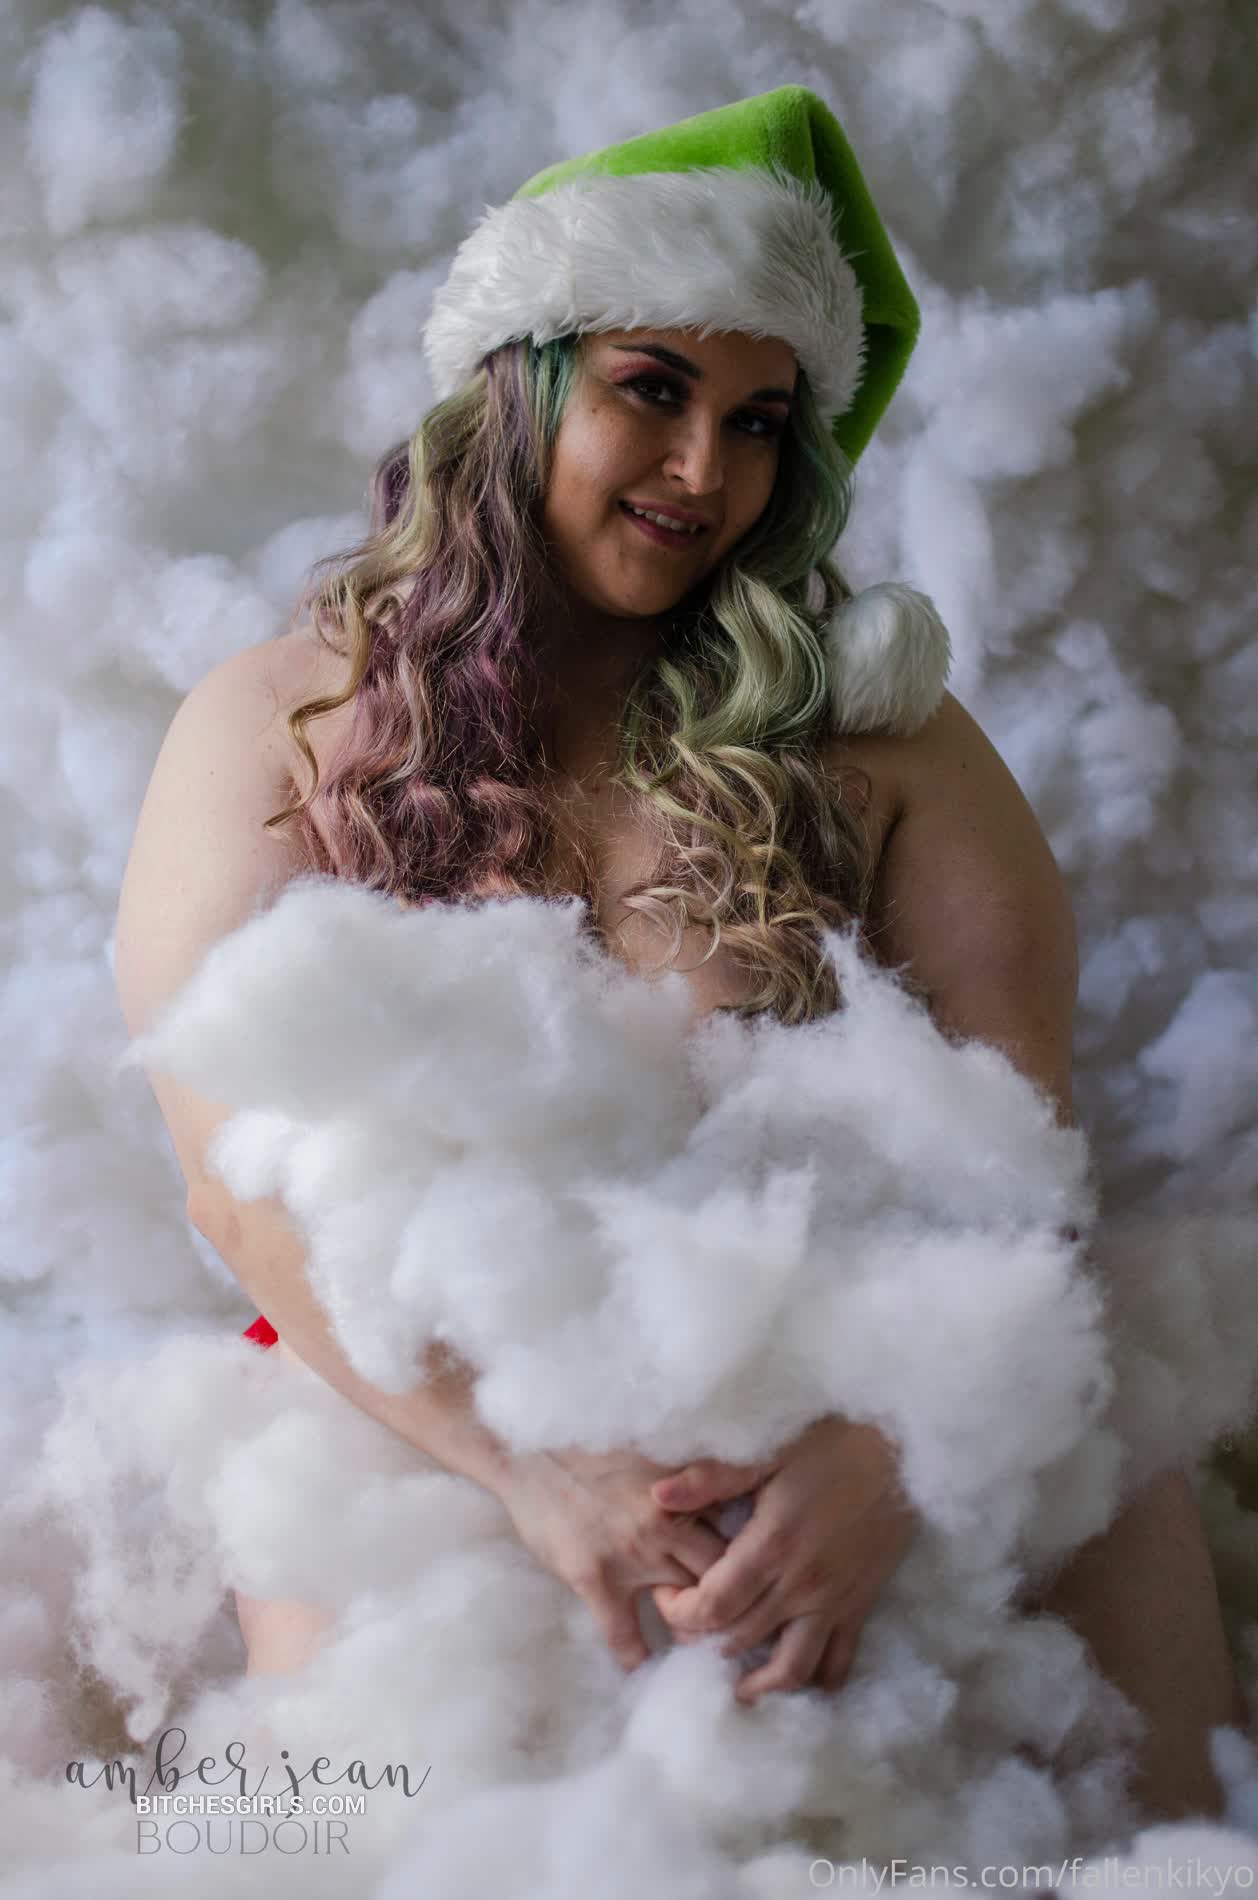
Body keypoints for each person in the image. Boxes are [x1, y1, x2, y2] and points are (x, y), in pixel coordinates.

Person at [114, 86, 1245, 1821]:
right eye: (652, 389)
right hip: (410, 1398)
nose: (705, 471)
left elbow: (1018, 1157)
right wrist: (528, 1470)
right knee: (400, 1783)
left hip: (861, 1374)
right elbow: (230, 1178)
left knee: (1114, 1541)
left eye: (759, 422)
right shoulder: (283, 724)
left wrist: (891, 1453)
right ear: (520, 389)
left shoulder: (884, 745)